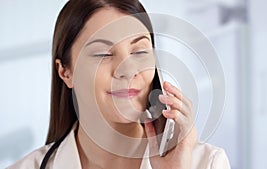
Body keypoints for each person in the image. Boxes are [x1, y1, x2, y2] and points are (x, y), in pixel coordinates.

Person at [7, 0, 231, 168]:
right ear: (65, 72)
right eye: (103, 53)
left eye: (140, 51)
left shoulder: (206, 163)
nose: (127, 70)